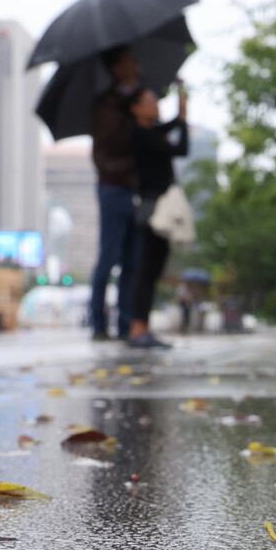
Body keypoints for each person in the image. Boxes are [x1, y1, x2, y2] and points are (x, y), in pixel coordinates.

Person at [125, 82, 189, 349]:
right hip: (153, 209)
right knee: (147, 270)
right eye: (150, 100)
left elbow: (175, 128)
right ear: (136, 108)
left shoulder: (151, 132)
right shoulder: (140, 135)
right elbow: (180, 148)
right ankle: (138, 328)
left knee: (152, 270)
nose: (155, 103)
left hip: (158, 207)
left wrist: (183, 102)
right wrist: (181, 120)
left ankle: (142, 327)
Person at [89, 46, 142, 341]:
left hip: (136, 189)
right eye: (131, 59)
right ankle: (98, 324)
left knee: (134, 259)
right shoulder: (106, 104)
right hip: (112, 186)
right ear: (116, 67)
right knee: (108, 256)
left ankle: (126, 323)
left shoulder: (138, 100)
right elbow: (104, 152)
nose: (136, 64)